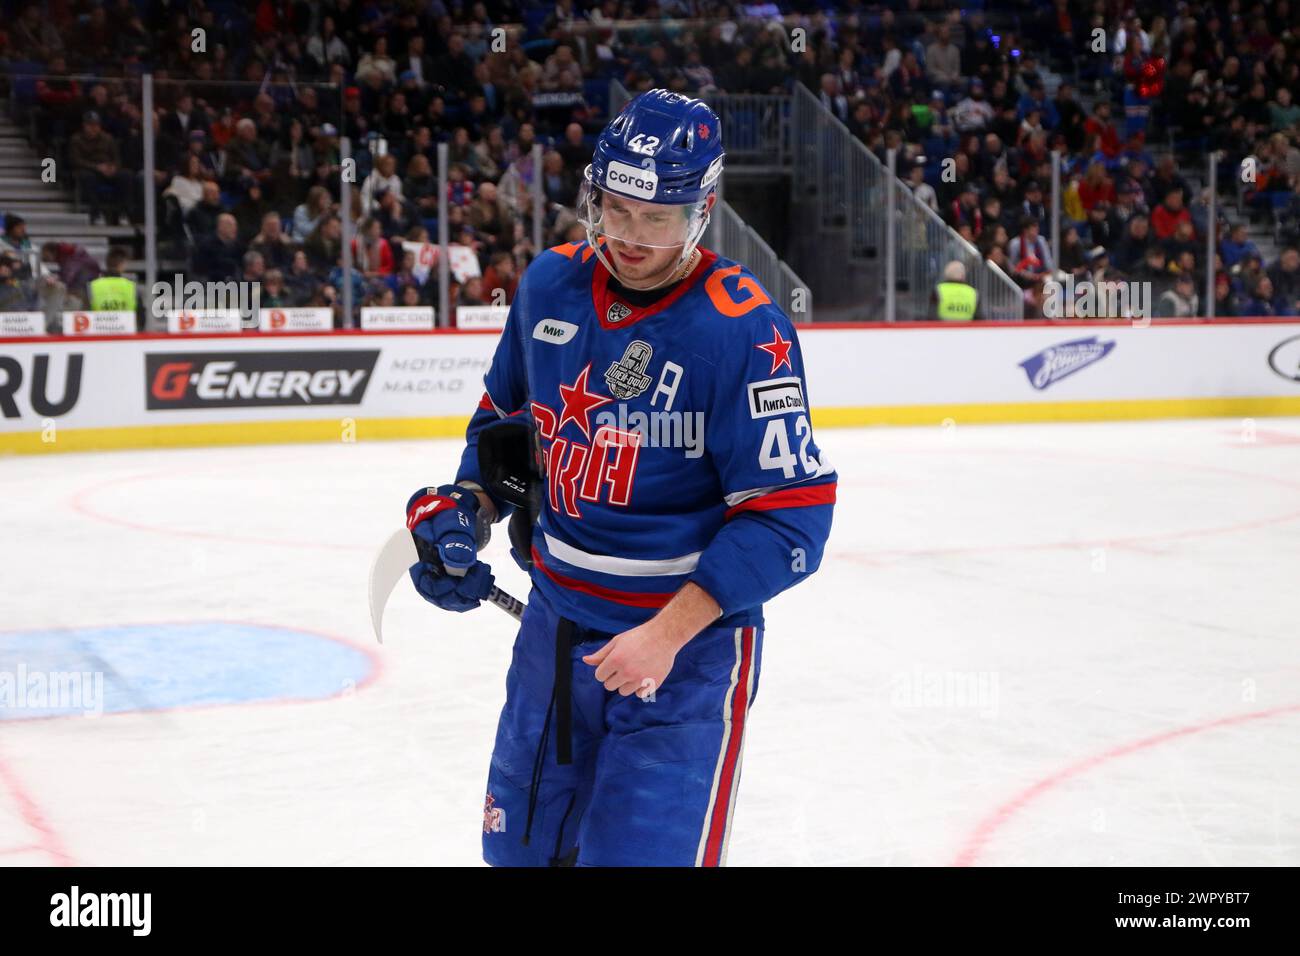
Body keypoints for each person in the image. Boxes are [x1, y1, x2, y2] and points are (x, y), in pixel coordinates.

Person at [403, 90, 836, 867]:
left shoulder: (744, 327)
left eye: (658, 217)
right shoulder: (547, 287)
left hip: (688, 656)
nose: (630, 237)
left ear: (702, 209)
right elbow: (503, 436)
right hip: (554, 634)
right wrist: (462, 517)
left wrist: (666, 635)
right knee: (519, 856)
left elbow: (792, 520)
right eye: (616, 208)